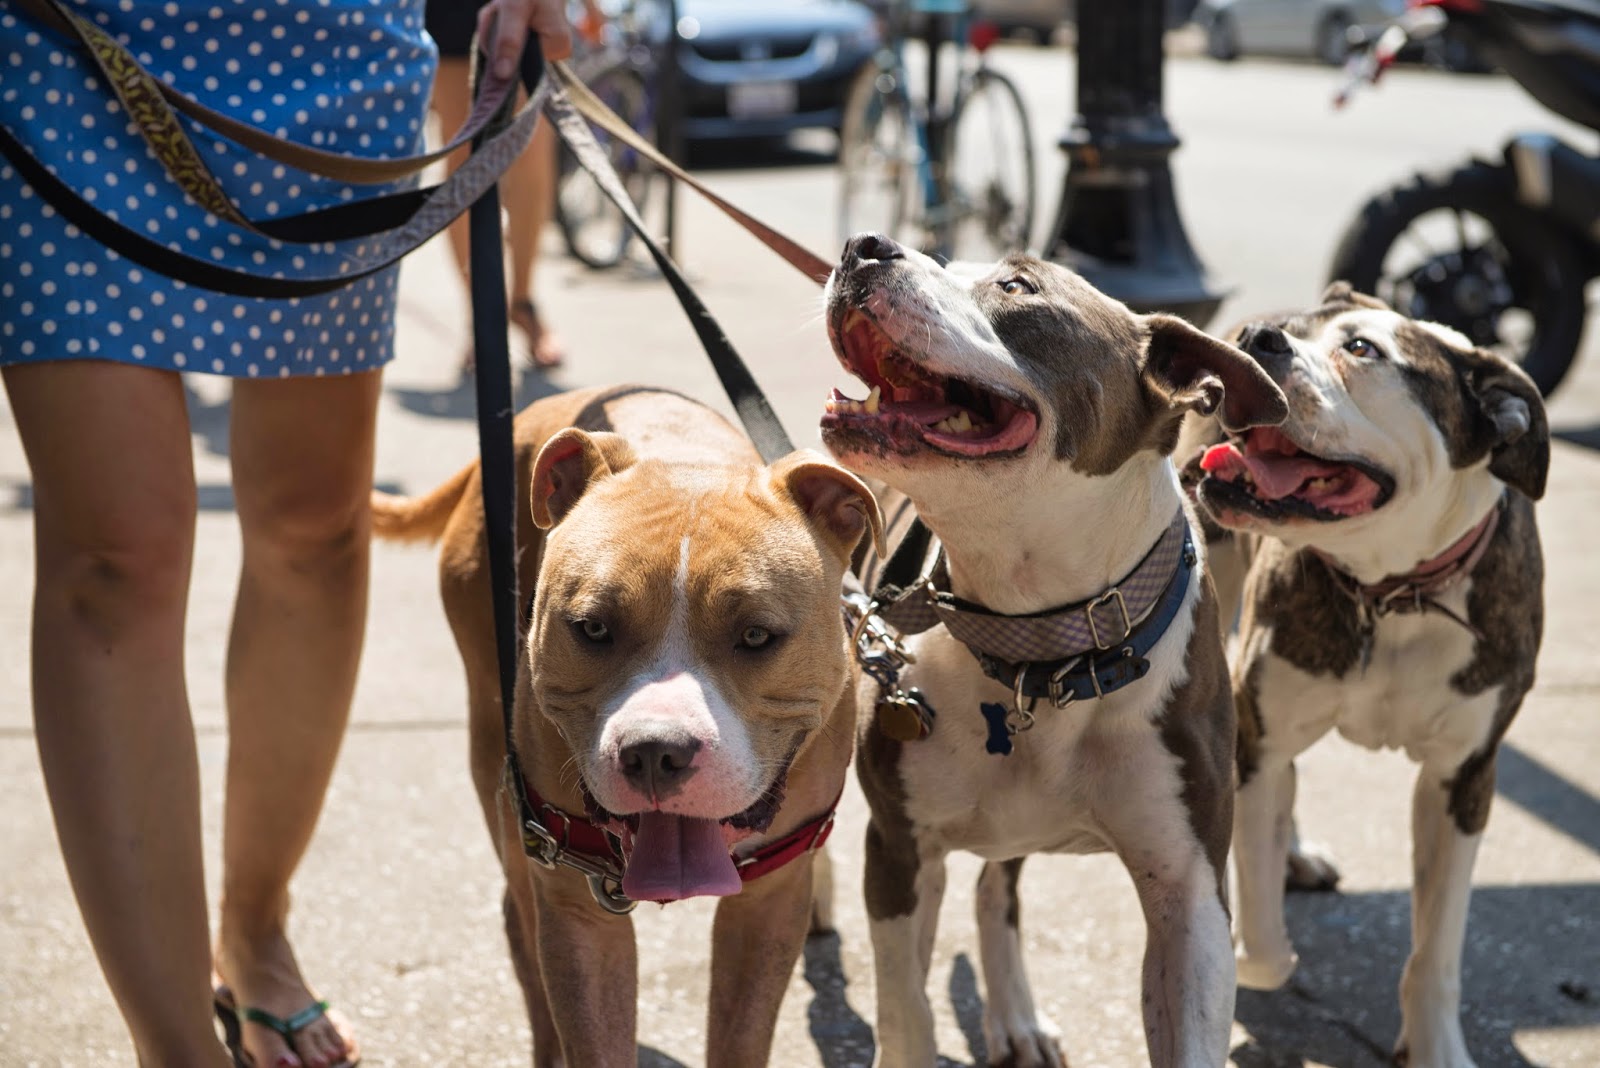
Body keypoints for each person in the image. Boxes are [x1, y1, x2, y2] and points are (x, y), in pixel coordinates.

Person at [0, 0, 570, 1065]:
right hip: (63, 38)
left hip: (324, 40)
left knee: (314, 528)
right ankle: (177, 1045)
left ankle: (253, 930)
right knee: (111, 560)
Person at [427, 0, 602, 372]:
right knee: (462, 164)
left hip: (525, 12)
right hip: (448, 16)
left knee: (530, 156)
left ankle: (522, 302)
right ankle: (482, 315)